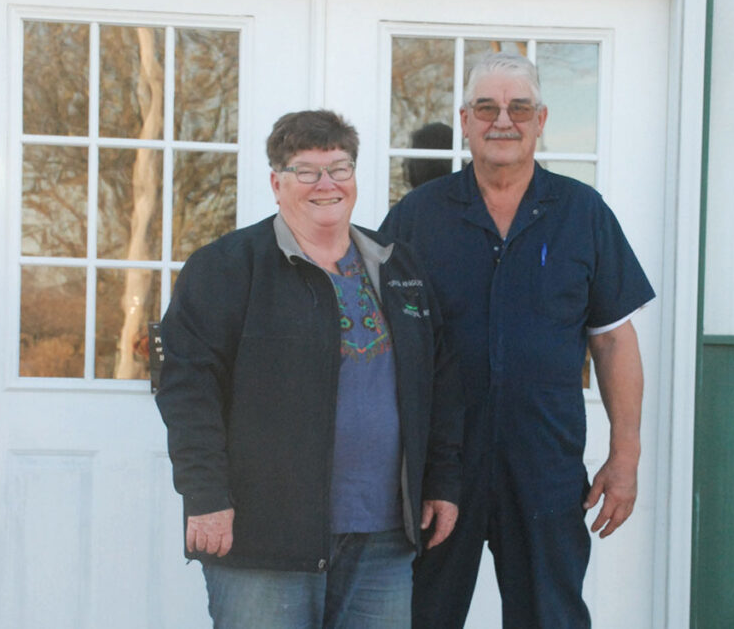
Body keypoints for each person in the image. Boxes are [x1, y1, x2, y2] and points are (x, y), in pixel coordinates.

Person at [155, 109, 463, 628]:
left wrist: (442, 481)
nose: (326, 184)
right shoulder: (227, 268)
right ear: (277, 183)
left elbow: (439, 382)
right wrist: (204, 496)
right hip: (265, 538)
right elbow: (187, 390)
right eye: (307, 171)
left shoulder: (398, 266)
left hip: (384, 537)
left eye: (339, 169)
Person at [381, 53, 655, 628]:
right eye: (486, 107)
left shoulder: (582, 213)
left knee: (549, 617)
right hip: (440, 470)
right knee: (419, 617)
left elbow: (612, 342)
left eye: (519, 107)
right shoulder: (417, 219)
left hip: (545, 467)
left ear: (541, 118)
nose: (502, 120)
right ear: (464, 119)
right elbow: (381, 345)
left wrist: (624, 454)